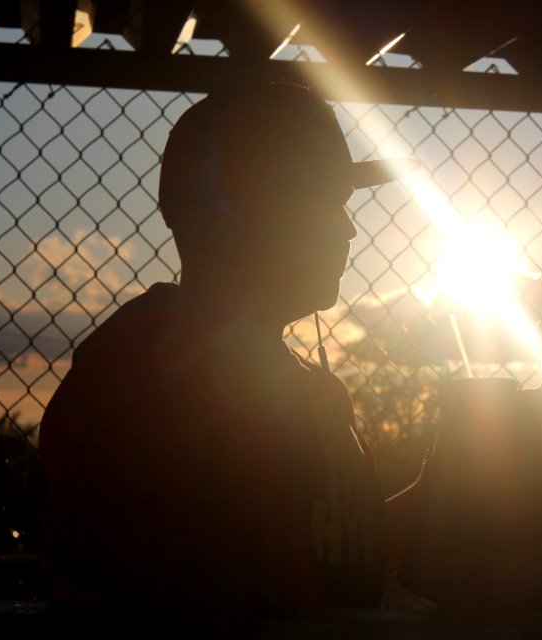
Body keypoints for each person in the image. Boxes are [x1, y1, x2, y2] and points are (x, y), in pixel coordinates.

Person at [39, 81, 418, 612]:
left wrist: (442, 489)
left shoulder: (319, 389)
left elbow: (334, 565)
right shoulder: (146, 359)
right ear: (222, 222)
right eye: (316, 202)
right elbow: (89, 539)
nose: (349, 228)